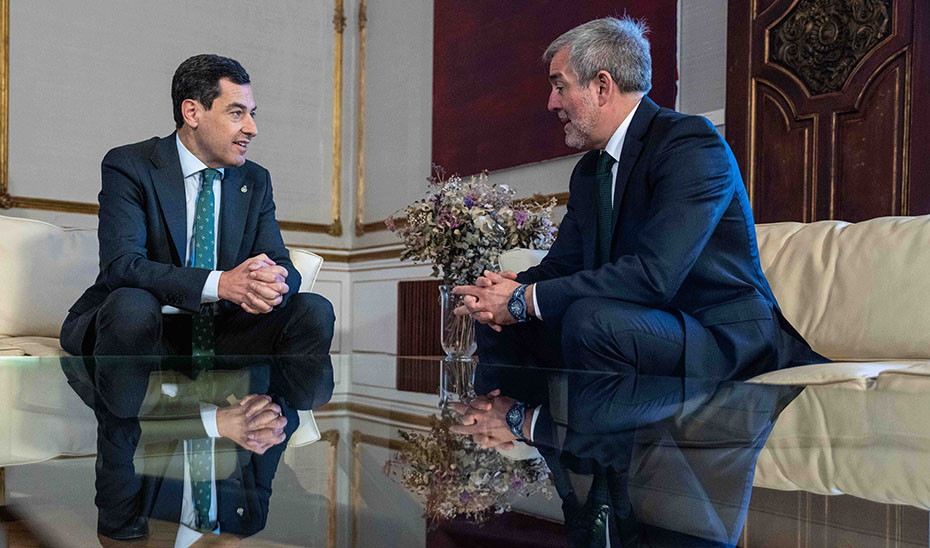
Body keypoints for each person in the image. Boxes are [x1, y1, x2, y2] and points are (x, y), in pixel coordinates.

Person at [450, 16, 824, 531]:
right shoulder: (590, 171)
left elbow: (655, 275)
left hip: (720, 334)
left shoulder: (690, 145)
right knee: (504, 320)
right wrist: (502, 295)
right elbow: (562, 267)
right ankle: (502, 420)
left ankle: (540, 424)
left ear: (601, 86)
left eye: (560, 87)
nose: (551, 103)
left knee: (588, 322)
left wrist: (525, 301)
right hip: (646, 328)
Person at [58, 54, 335, 541]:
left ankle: (288, 417)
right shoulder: (130, 164)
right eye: (237, 112)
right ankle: (126, 416)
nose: (251, 127)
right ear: (192, 112)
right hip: (140, 329)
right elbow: (123, 264)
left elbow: (280, 262)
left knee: (312, 310)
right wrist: (219, 282)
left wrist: (273, 281)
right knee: (130, 301)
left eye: (252, 113)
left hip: (216, 334)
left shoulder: (255, 180)